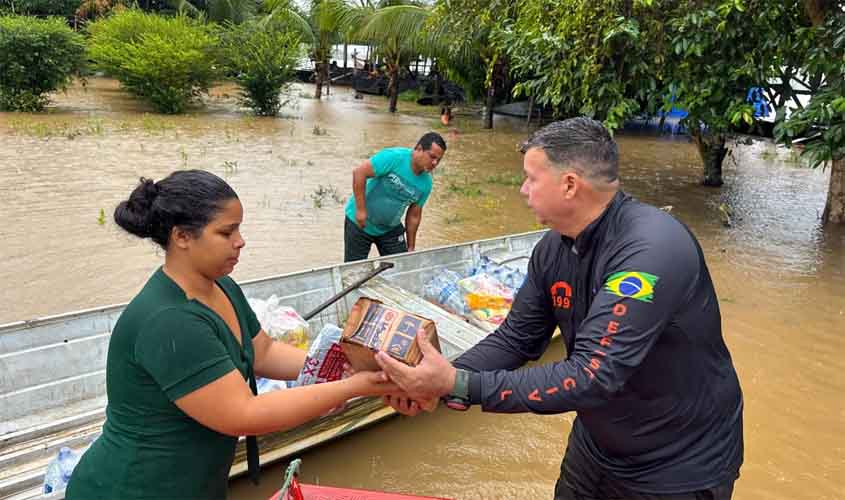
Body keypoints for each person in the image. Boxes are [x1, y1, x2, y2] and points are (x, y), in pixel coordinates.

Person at [376, 118, 744, 499]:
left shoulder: (651, 249)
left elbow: (592, 376)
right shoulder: (553, 249)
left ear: (569, 184)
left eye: (531, 178)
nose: (522, 190)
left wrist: (460, 385)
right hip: (597, 444)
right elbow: (516, 338)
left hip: (677, 463)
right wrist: (438, 378)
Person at [66, 170, 398, 499]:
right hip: (133, 488)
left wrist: (342, 364)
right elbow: (244, 414)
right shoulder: (170, 320)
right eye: (226, 232)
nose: (240, 241)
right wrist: (352, 387)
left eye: (239, 229)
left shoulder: (221, 286)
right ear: (182, 237)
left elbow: (264, 353)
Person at [343, 132, 447, 262]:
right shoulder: (394, 157)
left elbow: (414, 215)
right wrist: (361, 210)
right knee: (353, 272)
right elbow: (359, 173)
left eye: (438, 160)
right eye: (432, 157)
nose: (435, 163)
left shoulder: (426, 184)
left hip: (389, 229)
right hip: (359, 223)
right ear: (419, 149)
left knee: (401, 267)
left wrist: (411, 247)